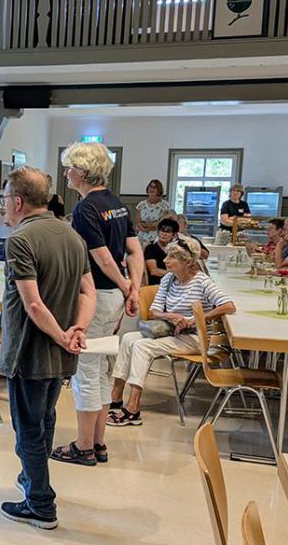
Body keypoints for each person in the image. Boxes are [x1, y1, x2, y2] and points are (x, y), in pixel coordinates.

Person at [0, 166, 96, 529]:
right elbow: (88, 292)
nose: (4, 207)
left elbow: (34, 304)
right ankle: (30, 478)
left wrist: (60, 335)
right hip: (61, 353)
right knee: (45, 419)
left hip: (29, 352)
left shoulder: (20, 240)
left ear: (17, 201)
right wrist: (77, 330)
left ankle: (40, 503)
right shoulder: (72, 236)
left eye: (5, 199)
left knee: (28, 428)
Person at [56, 142, 142, 467]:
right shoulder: (116, 204)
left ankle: (83, 446)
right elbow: (134, 251)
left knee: (86, 371)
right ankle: (98, 441)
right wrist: (132, 289)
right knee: (102, 369)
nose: (66, 173)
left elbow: (103, 259)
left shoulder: (85, 209)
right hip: (115, 299)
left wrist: (124, 285)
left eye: (69, 168)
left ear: (82, 172)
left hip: (96, 297)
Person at [108, 238, 236, 426]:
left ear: (187, 261)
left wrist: (195, 319)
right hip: (172, 332)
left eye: (171, 257)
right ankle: (115, 397)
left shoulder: (202, 282)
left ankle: (132, 409)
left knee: (142, 347)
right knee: (127, 338)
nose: (165, 260)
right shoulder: (169, 279)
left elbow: (229, 306)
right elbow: (153, 311)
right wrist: (172, 316)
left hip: (196, 337)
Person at [144, 217, 179, 286]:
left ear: (174, 235)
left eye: (168, 231)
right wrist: (174, 274)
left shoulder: (176, 249)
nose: (164, 234)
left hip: (174, 284)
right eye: (162, 230)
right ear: (158, 232)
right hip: (156, 284)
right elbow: (154, 271)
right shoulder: (151, 248)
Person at [135, 179, 169, 246]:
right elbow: (138, 223)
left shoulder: (164, 205)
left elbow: (159, 224)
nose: (152, 189)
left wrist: (146, 225)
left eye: (155, 187)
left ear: (159, 190)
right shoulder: (141, 205)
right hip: (142, 236)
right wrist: (149, 226)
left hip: (157, 238)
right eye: (150, 186)